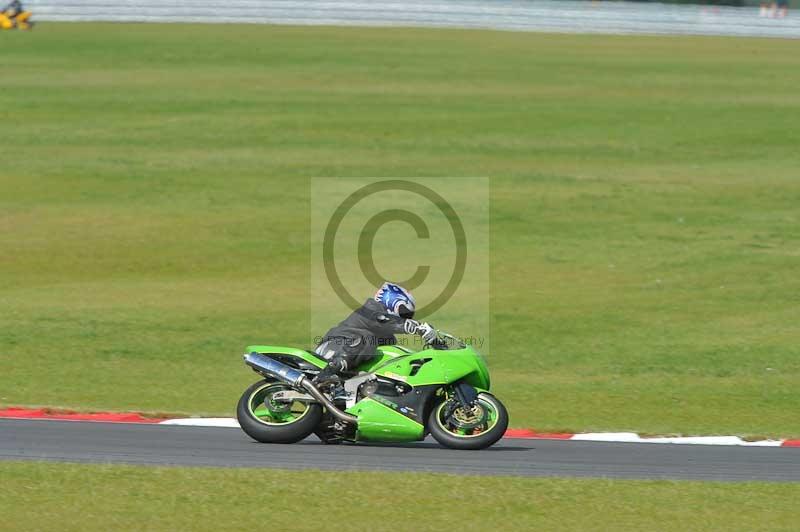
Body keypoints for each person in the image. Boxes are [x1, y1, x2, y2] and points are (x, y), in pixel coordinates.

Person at [313, 282, 437, 385]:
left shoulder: (388, 337)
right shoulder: (371, 310)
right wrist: (418, 328)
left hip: (350, 364)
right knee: (368, 339)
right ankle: (331, 371)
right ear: (391, 299)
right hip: (333, 347)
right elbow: (384, 321)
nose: (405, 318)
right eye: (404, 312)